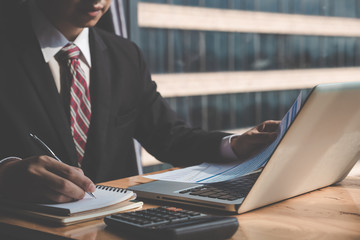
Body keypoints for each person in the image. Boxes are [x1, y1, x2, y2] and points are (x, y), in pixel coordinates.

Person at [0, 0, 280, 203]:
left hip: (117, 225)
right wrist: (6, 174)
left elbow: (168, 136)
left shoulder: (125, 55)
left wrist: (234, 145)